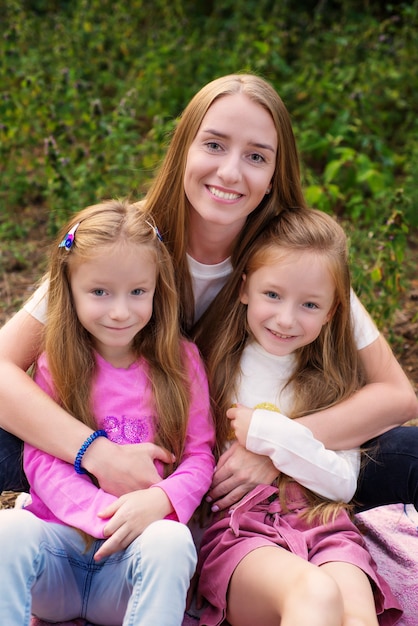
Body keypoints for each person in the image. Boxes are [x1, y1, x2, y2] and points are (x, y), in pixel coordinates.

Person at [0, 73, 416, 516]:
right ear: (183, 150)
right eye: (214, 145)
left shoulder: (292, 258)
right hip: (125, 450)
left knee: (407, 451)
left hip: (231, 464)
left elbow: (396, 396)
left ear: (275, 175)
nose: (230, 171)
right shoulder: (127, 242)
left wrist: (273, 446)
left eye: (256, 156)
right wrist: (97, 454)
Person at [0, 200, 215, 626]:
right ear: (70, 289)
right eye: (99, 292)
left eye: (138, 292)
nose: (120, 311)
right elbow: (41, 458)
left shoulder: (181, 362)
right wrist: (101, 514)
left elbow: (199, 456)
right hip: (61, 556)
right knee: (9, 531)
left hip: (128, 571)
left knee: (172, 542)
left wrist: (157, 501)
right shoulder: (55, 361)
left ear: (158, 288)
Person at [195, 207, 402, 626]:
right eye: (273, 295)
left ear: (331, 313)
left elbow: (342, 482)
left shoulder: (332, 383)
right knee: (314, 594)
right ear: (244, 289)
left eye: (309, 304)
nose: (287, 319)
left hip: (324, 524)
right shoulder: (212, 367)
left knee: (355, 615)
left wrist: (272, 434)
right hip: (242, 533)